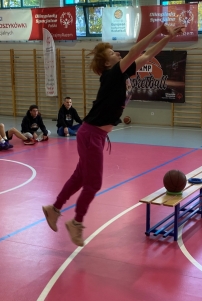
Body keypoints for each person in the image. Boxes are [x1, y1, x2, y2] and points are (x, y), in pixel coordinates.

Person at [42, 23, 184, 246]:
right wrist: (157, 31)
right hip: (91, 135)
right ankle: (76, 222)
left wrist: (169, 37)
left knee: (80, 177)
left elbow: (148, 55)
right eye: (112, 52)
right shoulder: (111, 74)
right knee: (93, 184)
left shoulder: (122, 73)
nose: (117, 53)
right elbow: (136, 50)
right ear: (107, 63)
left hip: (94, 135)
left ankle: (54, 208)